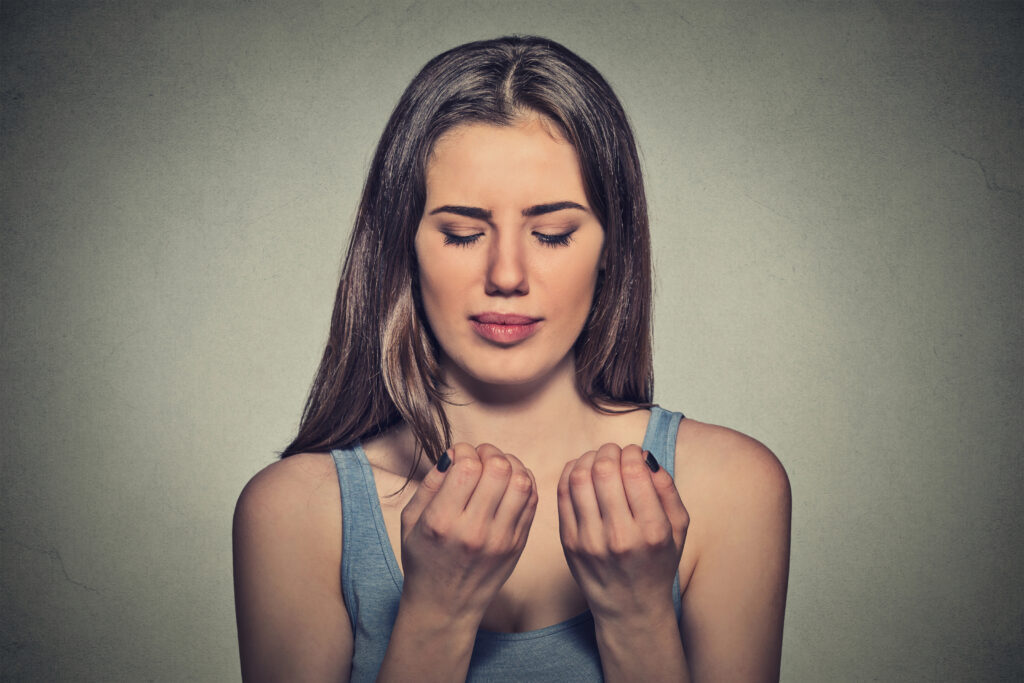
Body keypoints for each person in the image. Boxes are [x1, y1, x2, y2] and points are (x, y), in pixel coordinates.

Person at [232, 35, 791, 682]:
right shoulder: (294, 513)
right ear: (404, 245)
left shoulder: (732, 488)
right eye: (463, 233)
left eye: (551, 234)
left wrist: (636, 617)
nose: (506, 273)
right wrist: (435, 613)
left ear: (611, 246)